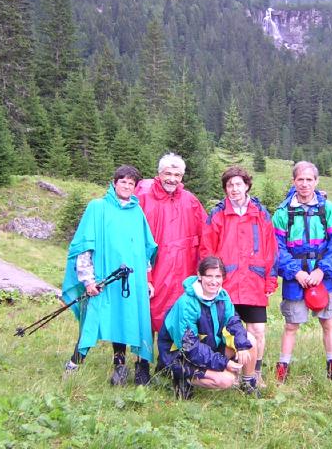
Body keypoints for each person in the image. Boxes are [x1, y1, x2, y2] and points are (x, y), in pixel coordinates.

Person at [62, 165, 157, 386]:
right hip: (103, 280)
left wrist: (147, 279)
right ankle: (74, 364)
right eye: (123, 181)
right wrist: (88, 280)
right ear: (114, 183)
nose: (127, 186)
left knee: (124, 319)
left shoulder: (137, 212)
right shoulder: (98, 207)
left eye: (131, 183)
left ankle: (120, 367)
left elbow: (143, 249)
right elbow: (85, 247)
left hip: (130, 281)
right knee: (92, 319)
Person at [200, 166, 277, 387]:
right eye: (230, 185)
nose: (234, 189)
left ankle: (255, 373)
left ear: (246, 186)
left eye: (238, 184)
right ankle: (227, 371)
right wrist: (209, 279)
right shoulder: (218, 214)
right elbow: (207, 249)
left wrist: (271, 279)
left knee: (257, 330)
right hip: (227, 284)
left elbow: (271, 248)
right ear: (225, 189)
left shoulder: (261, 213)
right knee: (226, 332)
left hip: (254, 281)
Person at [272, 161, 332, 383]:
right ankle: (283, 368)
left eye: (309, 180)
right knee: (291, 325)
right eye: (300, 180)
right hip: (296, 278)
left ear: (316, 181)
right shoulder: (282, 213)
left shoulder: (328, 209)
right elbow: (277, 247)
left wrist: (323, 271)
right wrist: (295, 273)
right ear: (293, 181)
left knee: (328, 321)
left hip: (324, 277)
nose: (304, 184)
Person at [157, 256, 259, 399]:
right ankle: (180, 377)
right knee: (227, 380)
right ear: (199, 275)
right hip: (180, 355)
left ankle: (248, 385)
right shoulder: (187, 303)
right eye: (209, 276)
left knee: (250, 341)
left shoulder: (223, 296)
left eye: (218, 276)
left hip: (207, 348)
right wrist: (224, 362)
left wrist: (241, 346)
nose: (214, 281)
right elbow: (190, 348)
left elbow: (234, 322)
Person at [134, 153, 207, 336]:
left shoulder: (190, 200)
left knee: (180, 310)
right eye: (168, 174)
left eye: (177, 175)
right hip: (153, 268)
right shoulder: (143, 197)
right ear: (159, 174)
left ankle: (170, 357)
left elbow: (206, 233)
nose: (172, 179)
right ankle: (143, 357)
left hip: (184, 268)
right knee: (147, 308)